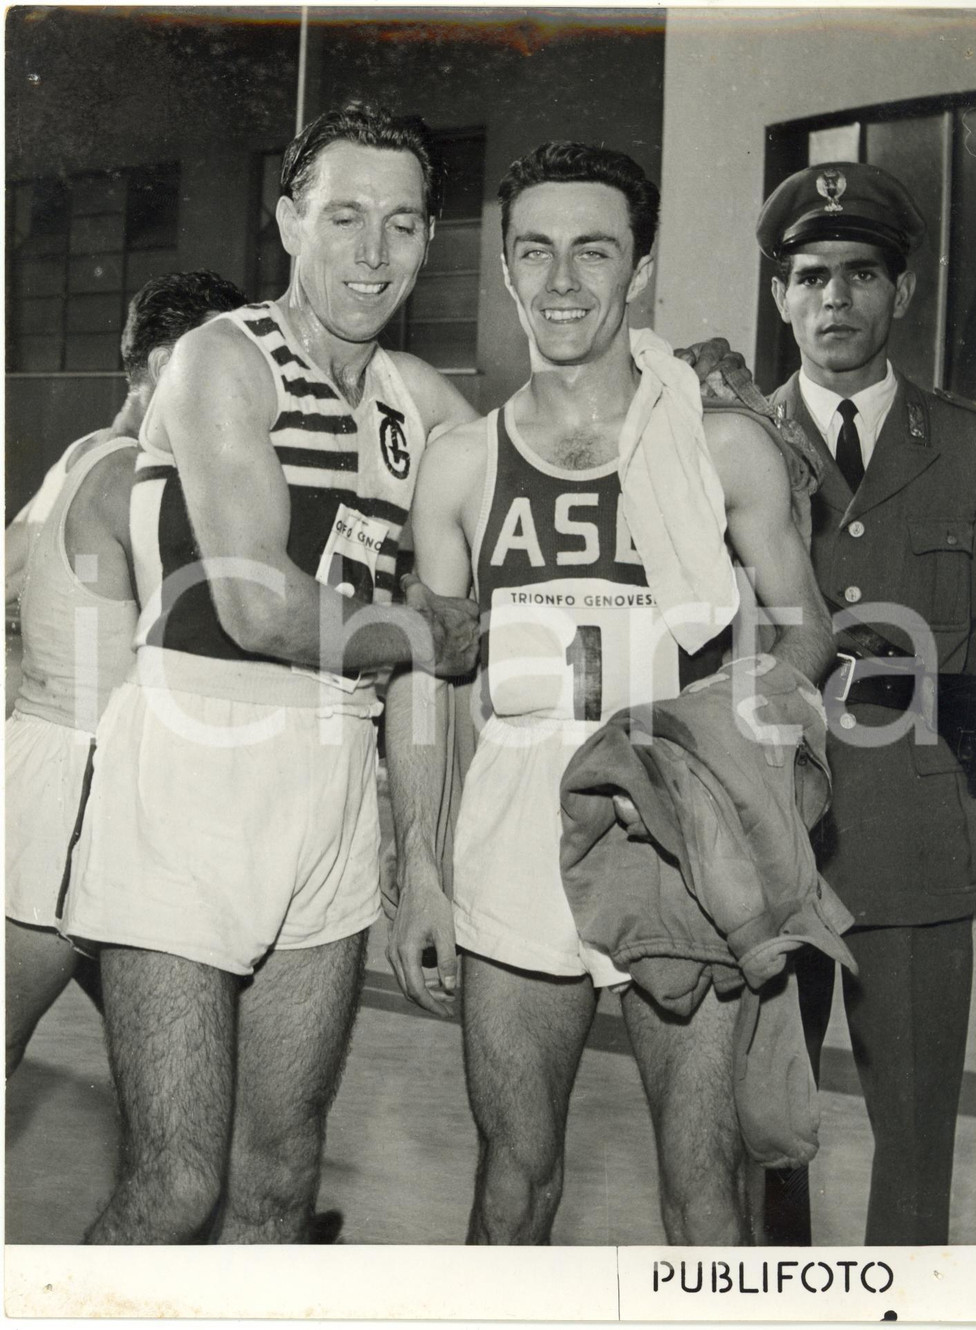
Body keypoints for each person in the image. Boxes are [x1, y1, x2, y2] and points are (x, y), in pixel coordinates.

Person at [385, 141, 834, 1244]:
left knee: (704, 1186)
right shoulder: (460, 462)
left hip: (676, 826)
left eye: (595, 250)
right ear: (503, 269)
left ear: (639, 267)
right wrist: (421, 868)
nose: (563, 281)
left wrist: (730, 750)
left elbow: (810, 625)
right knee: (512, 1179)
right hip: (517, 823)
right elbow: (429, 683)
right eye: (534, 252)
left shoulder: (718, 445)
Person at [58, 102, 483, 1245]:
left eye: (399, 224)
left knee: (283, 1175)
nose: (370, 252)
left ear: (429, 240)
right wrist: (427, 629)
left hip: (332, 779)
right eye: (342, 216)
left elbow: (514, 546)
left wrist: (426, 862)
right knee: (177, 1181)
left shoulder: (423, 406)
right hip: (193, 766)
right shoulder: (222, 358)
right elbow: (256, 608)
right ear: (288, 218)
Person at [757, 161, 976, 1245]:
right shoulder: (730, 448)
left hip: (916, 839)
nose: (833, 300)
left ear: (900, 293)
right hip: (764, 840)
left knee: (914, 1150)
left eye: (860, 274)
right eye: (810, 276)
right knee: (764, 1134)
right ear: (780, 297)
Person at [6, 269, 247, 1077]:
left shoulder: (81, 453)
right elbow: (232, 619)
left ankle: (242, 1199)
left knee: (196, 1050)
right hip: (77, 785)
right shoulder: (137, 479)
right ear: (164, 366)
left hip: (60, 769)